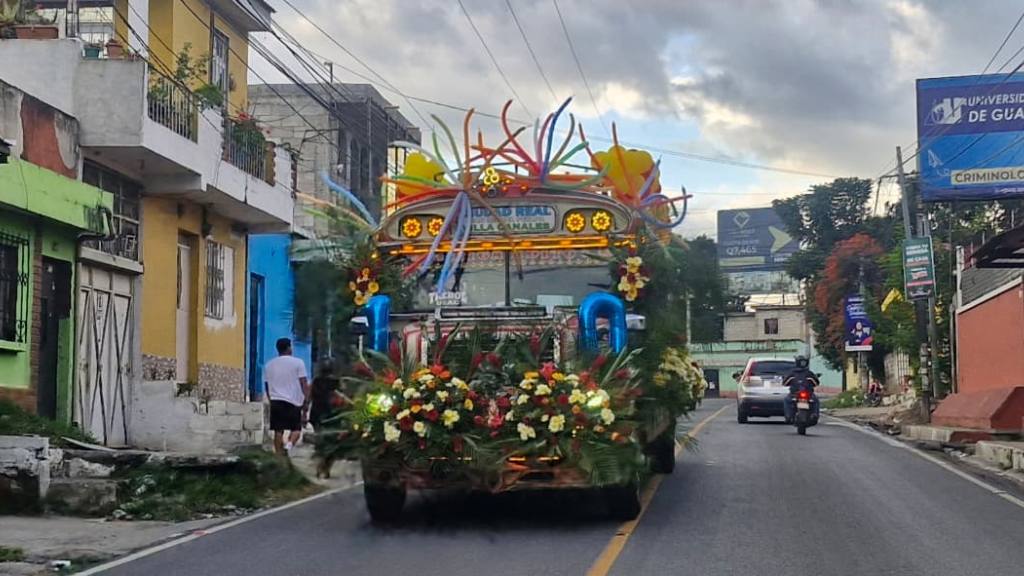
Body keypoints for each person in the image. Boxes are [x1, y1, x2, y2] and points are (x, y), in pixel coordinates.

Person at [262, 337, 310, 456]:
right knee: (296, 429)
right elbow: (304, 383)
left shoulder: (269, 365)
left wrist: (271, 399)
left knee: (278, 430)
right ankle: (289, 445)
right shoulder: (298, 363)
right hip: (293, 401)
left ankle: (279, 455)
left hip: (276, 401)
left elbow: (267, 386)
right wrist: (306, 400)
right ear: (289, 347)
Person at [782, 355, 818, 423]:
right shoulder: (809, 373)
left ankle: (788, 416)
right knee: (815, 401)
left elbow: (785, 383)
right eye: (802, 362)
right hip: (807, 394)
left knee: (786, 400)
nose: (803, 363)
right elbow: (816, 383)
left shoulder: (792, 373)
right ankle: (815, 414)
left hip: (795, 394)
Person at [309, 358, 340, 432]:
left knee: (317, 425)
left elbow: (312, 393)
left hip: (318, 408)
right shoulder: (336, 381)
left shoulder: (317, 380)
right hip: (329, 409)